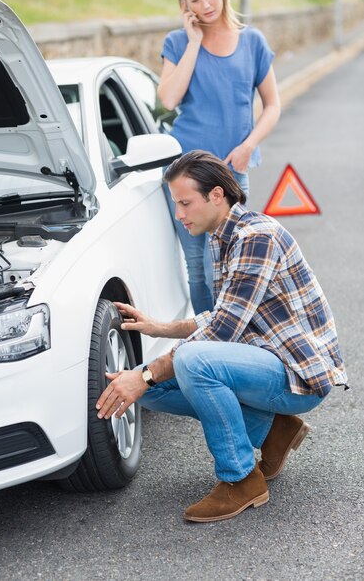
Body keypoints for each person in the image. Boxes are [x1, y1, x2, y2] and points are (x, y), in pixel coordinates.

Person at [95, 150, 348, 523]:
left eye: (185, 203)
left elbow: (221, 332)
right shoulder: (221, 237)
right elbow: (226, 317)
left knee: (189, 362)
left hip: (299, 376)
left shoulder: (256, 238)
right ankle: (276, 428)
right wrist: (159, 328)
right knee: (153, 387)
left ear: (216, 195)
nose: (179, 215)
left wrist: (145, 373)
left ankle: (241, 479)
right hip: (264, 359)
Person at [158, 0, 281, 315]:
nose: (204, 6)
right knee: (198, 266)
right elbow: (169, 99)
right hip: (186, 173)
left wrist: (249, 145)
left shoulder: (252, 41)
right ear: (185, 5)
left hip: (232, 169)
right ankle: (207, 345)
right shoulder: (178, 42)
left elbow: (272, 105)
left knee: (236, 259)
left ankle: (236, 337)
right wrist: (194, 43)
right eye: (194, 0)